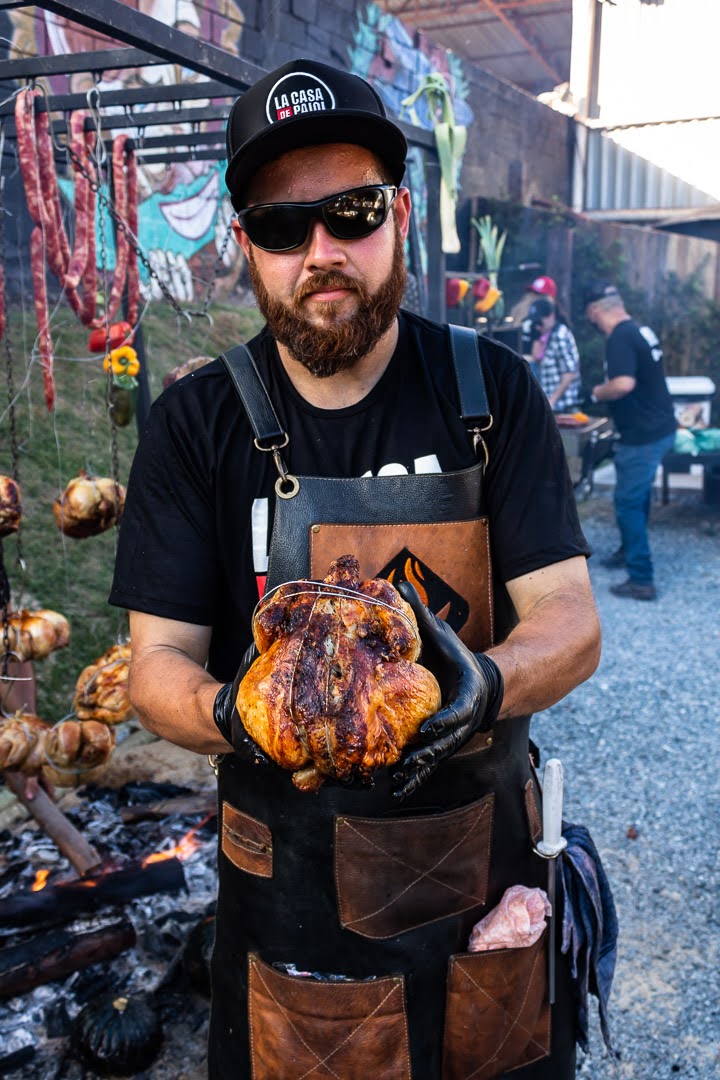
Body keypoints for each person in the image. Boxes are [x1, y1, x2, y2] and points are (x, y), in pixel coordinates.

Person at [110, 58, 602, 1080]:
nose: (321, 251)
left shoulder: (492, 394)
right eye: (283, 227)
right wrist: (241, 718)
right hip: (287, 897)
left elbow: (569, 615)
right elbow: (154, 664)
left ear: (402, 217)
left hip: (481, 884)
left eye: (354, 211)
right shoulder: (194, 427)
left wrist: (487, 685)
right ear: (244, 241)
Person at [585, 282, 676, 601]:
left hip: (643, 435)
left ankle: (641, 579)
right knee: (638, 498)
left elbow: (623, 384)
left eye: (590, 315)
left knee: (627, 503)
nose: (591, 321)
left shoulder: (621, 336)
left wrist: (593, 393)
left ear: (596, 310)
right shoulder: (639, 330)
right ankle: (628, 550)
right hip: (660, 428)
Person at [527, 298, 582, 411]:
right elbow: (536, 356)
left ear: (551, 316)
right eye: (534, 323)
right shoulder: (545, 335)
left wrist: (553, 399)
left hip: (565, 405)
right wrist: (536, 335)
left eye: (540, 322)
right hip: (553, 404)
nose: (537, 326)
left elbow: (570, 372)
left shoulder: (560, 335)